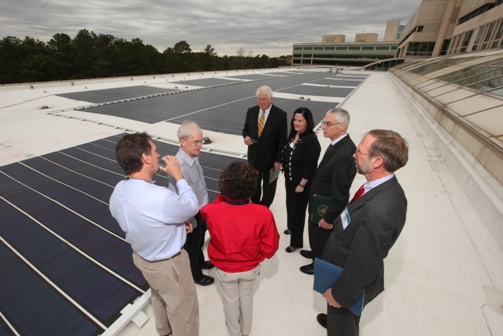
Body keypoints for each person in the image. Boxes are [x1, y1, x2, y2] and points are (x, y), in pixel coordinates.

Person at [317, 129, 409, 336]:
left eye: (359, 151)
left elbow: (365, 264)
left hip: (347, 280)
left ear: (377, 162)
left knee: (343, 327)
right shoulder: (377, 189)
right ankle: (333, 318)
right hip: (339, 265)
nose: (354, 155)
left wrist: (340, 296)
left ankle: (337, 321)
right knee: (336, 317)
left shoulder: (381, 211)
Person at [109, 133, 200, 336]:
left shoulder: (118, 191)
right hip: (170, 266)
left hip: (143, 259)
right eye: (154, 151)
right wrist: (179, 176)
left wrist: (176, 220)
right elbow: (192, 206)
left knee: (161, 298)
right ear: (146, 158)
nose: (158, 155)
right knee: (184, 313)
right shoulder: (160, 198)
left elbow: (141, 220)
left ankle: (164, 332)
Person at [201, 161, 279, 336]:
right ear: (252, 187)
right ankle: (246, 330)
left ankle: (234, 332)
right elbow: (270, 247)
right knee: (247, 298)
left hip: (225, 269)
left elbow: (206, 210)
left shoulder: (212, 211)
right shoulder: (263, 213)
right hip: (250, 267)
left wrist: (223, 196)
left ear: (224, 186)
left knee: (230, 301)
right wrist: (258, 255)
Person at [300, 108, 356, 275]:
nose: (323, 127)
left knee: (322, 236)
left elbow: (341, 193)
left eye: (328, 124)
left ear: (342, 126)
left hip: (325, 207)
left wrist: (329, 217)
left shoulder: (345, 154)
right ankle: (315, 252)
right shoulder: (336, 145)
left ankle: (319, 264)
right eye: (324, 122)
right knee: (315, 234)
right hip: (319, 201)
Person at [168, 121, 215, 286]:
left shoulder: (193, 157)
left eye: (201, 141)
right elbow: (177, 199)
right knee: (192, 247)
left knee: (200, 241)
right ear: (183, 141)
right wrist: (189, 219)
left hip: (201, 209)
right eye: (196, 142)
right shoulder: (179, 167)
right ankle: (196, 275)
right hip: (190, 215)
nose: (200, 145)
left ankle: (201, 262)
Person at [282, 107, 321, 252]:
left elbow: (310, 166)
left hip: (301, 183)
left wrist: (302, 183)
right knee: (290, 206)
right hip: (290, 179)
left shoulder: (311, 140)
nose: (296, 123)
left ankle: (296, 242)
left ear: (307, 122)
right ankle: (291, 228)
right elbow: (286, 152)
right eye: (295, 120)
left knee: (298, 212)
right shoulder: (294, 134)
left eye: (300, 120)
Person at [242, 85, 288, 207]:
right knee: (254, 186)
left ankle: (265, 208)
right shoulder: (251, 111)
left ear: (271, 99)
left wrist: (279, 160)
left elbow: (282, 140)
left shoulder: (280, 115)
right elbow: (245, 129)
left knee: (269, 187)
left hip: (271, 160)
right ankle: (256, 207)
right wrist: (245, 137)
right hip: (254, 158)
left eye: (264, 99)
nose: (261, 102)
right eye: (259, 99)